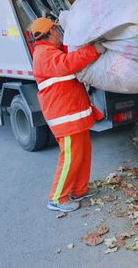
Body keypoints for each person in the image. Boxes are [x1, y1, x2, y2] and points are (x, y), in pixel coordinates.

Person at [30, 17, 104, 212]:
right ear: (51, 33)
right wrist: (93, 50)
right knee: (70, 157)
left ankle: (79, 190)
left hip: (73, 113)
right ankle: (57, 198)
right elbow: (67, 64)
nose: (60, 34)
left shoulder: (51, 51)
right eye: (57, 31)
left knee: (82, 154)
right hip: (65, 116)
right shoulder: (44, 53)